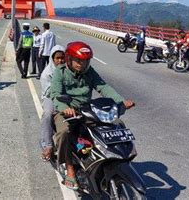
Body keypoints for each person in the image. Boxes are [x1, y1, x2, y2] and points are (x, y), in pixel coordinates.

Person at [49, 41, 134, 190]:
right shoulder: (60, 72)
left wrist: (121, 101)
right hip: (66, 110)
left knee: (116, 123)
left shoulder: (90, 72)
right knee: (64, 132)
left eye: (86, 60)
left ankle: (108, 158)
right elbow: (55, 95)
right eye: (79, 60)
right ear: (69, 59)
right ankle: (69, 167)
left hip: (87, 109)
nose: (82, 64)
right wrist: (65, 108)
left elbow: (103, 87)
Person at [39, 45, 65, 161]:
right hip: (51, 97)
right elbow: (50, 93)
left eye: (62, 58)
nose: (60, 60)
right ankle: (47, 145)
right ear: (52, 59)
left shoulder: (69, 69)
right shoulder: (46, 74)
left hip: (67, 96)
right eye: (57, 58)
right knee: (47, 115)